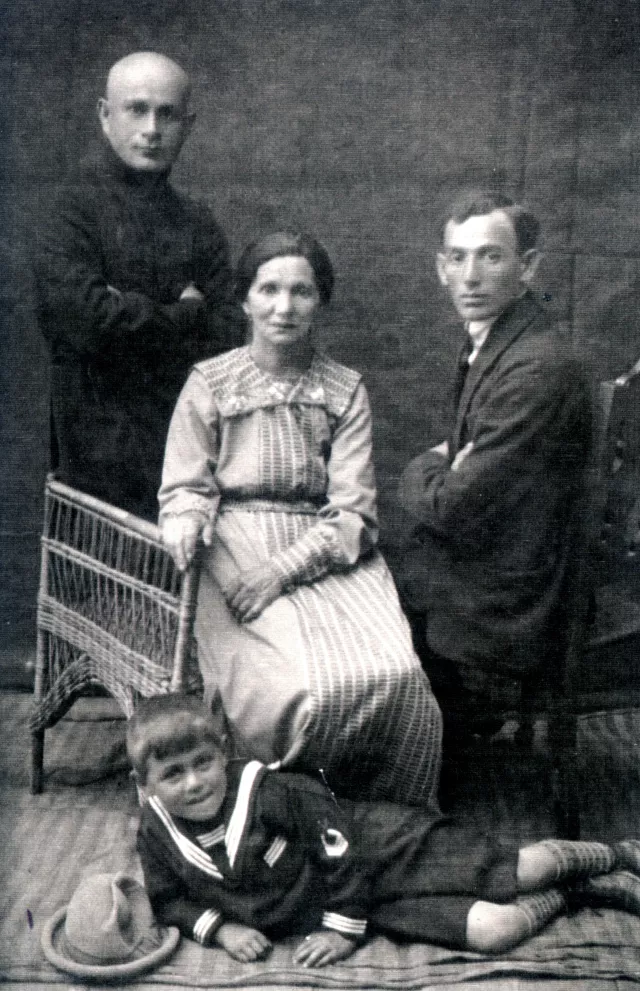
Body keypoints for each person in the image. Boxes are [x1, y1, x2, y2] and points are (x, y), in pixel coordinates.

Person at [159, 231, 442, 808]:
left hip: (328, 551)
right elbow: (185, 483)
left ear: (321, 302)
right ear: (245, 300)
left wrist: (282, 571)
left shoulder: (344, 390)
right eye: (269, 290)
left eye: (301, 292)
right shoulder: (209, 383)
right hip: (233, 551)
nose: (284, 308)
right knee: (301, 690)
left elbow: (354, 510)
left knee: (401, 681)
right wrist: (187, 518)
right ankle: (286, 809)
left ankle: (386, 817)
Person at [127, 694, 640, 966]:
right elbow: (168, 900)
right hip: (364, 904)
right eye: (173, 774)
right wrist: (224, 929)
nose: (195, 783)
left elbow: (341, 854)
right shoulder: (156, 831)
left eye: (204, 762)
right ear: (144, 785)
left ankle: (615, 854)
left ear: (224, 755)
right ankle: (577, 894)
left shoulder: (273, 793)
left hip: (383, 850)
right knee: (496, 931)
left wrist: (340, 931)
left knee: (522, 869)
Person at [397, 190, 592, 732]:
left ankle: (437, 736)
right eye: (457, 258)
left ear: (527, 267)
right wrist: (447, 465)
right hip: (504, 551)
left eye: (491, 256)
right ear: (441, 268)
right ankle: (447, 720)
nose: (471, 276)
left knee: (374, 577)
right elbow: (459, 471)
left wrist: (421, 469)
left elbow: (454, 503)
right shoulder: (500, 340)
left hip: (516, 591)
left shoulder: (536, 369)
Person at [32, 51, 243, 520]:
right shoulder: (71, 213)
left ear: (188, 125)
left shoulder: (197, 224)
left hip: (188, 455)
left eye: (167, 114)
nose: (152, 128)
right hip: (95, 456)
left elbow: (229, 336)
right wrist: (187, 315)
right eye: (137, 109)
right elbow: (87, 324)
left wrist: (125, 310)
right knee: (102, 587)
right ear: (105, 115)